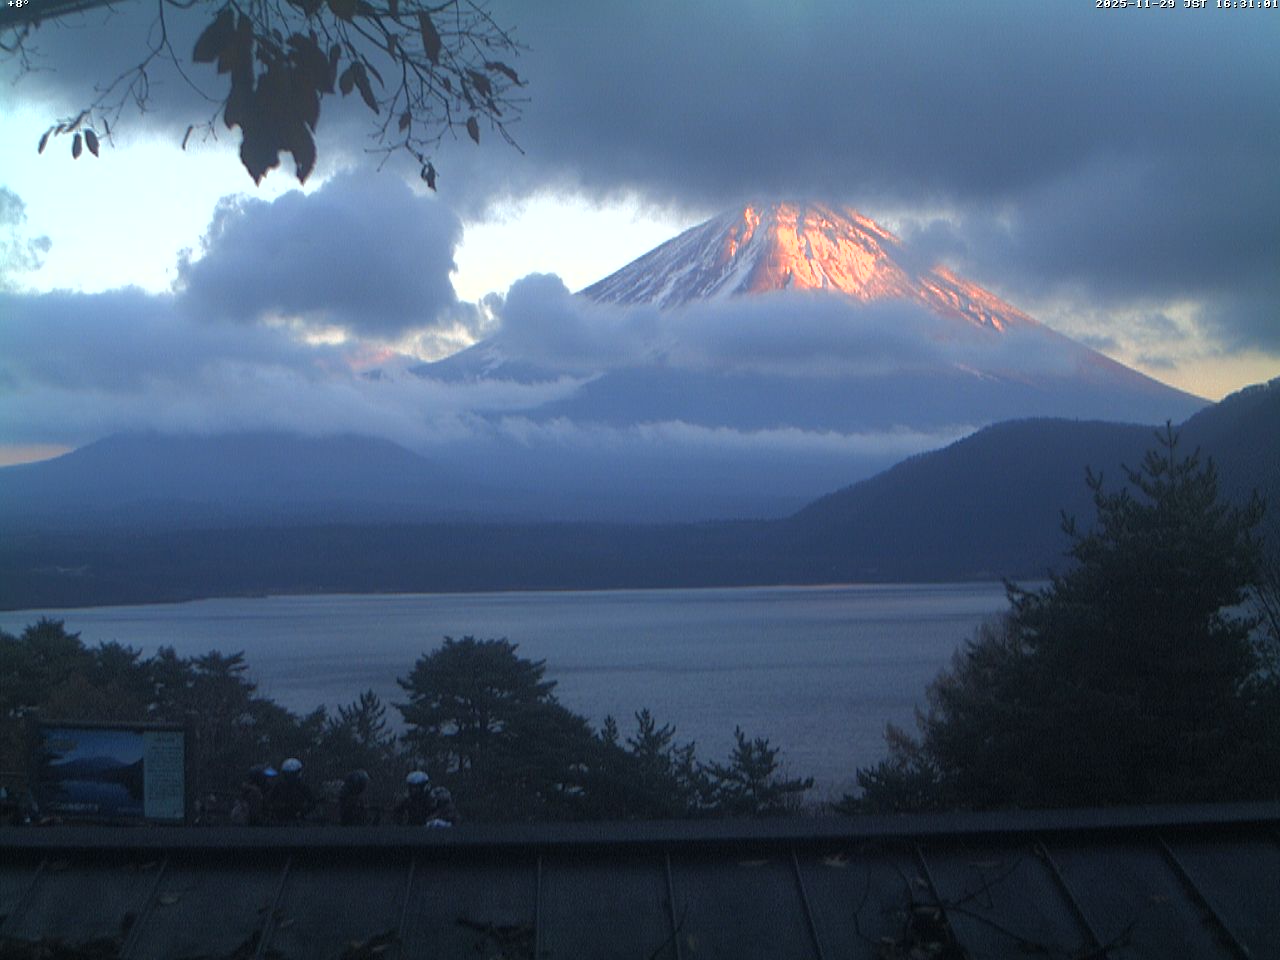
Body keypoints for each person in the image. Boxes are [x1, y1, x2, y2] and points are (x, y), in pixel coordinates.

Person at [267, 757, 315, 824]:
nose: (291, 777)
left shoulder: (303, 787)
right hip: (280, 821)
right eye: (289, 774)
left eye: (293, 774)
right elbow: (269, 803)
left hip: (298, 821)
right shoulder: (278, 787)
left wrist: (302, 812)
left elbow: (312, 803)